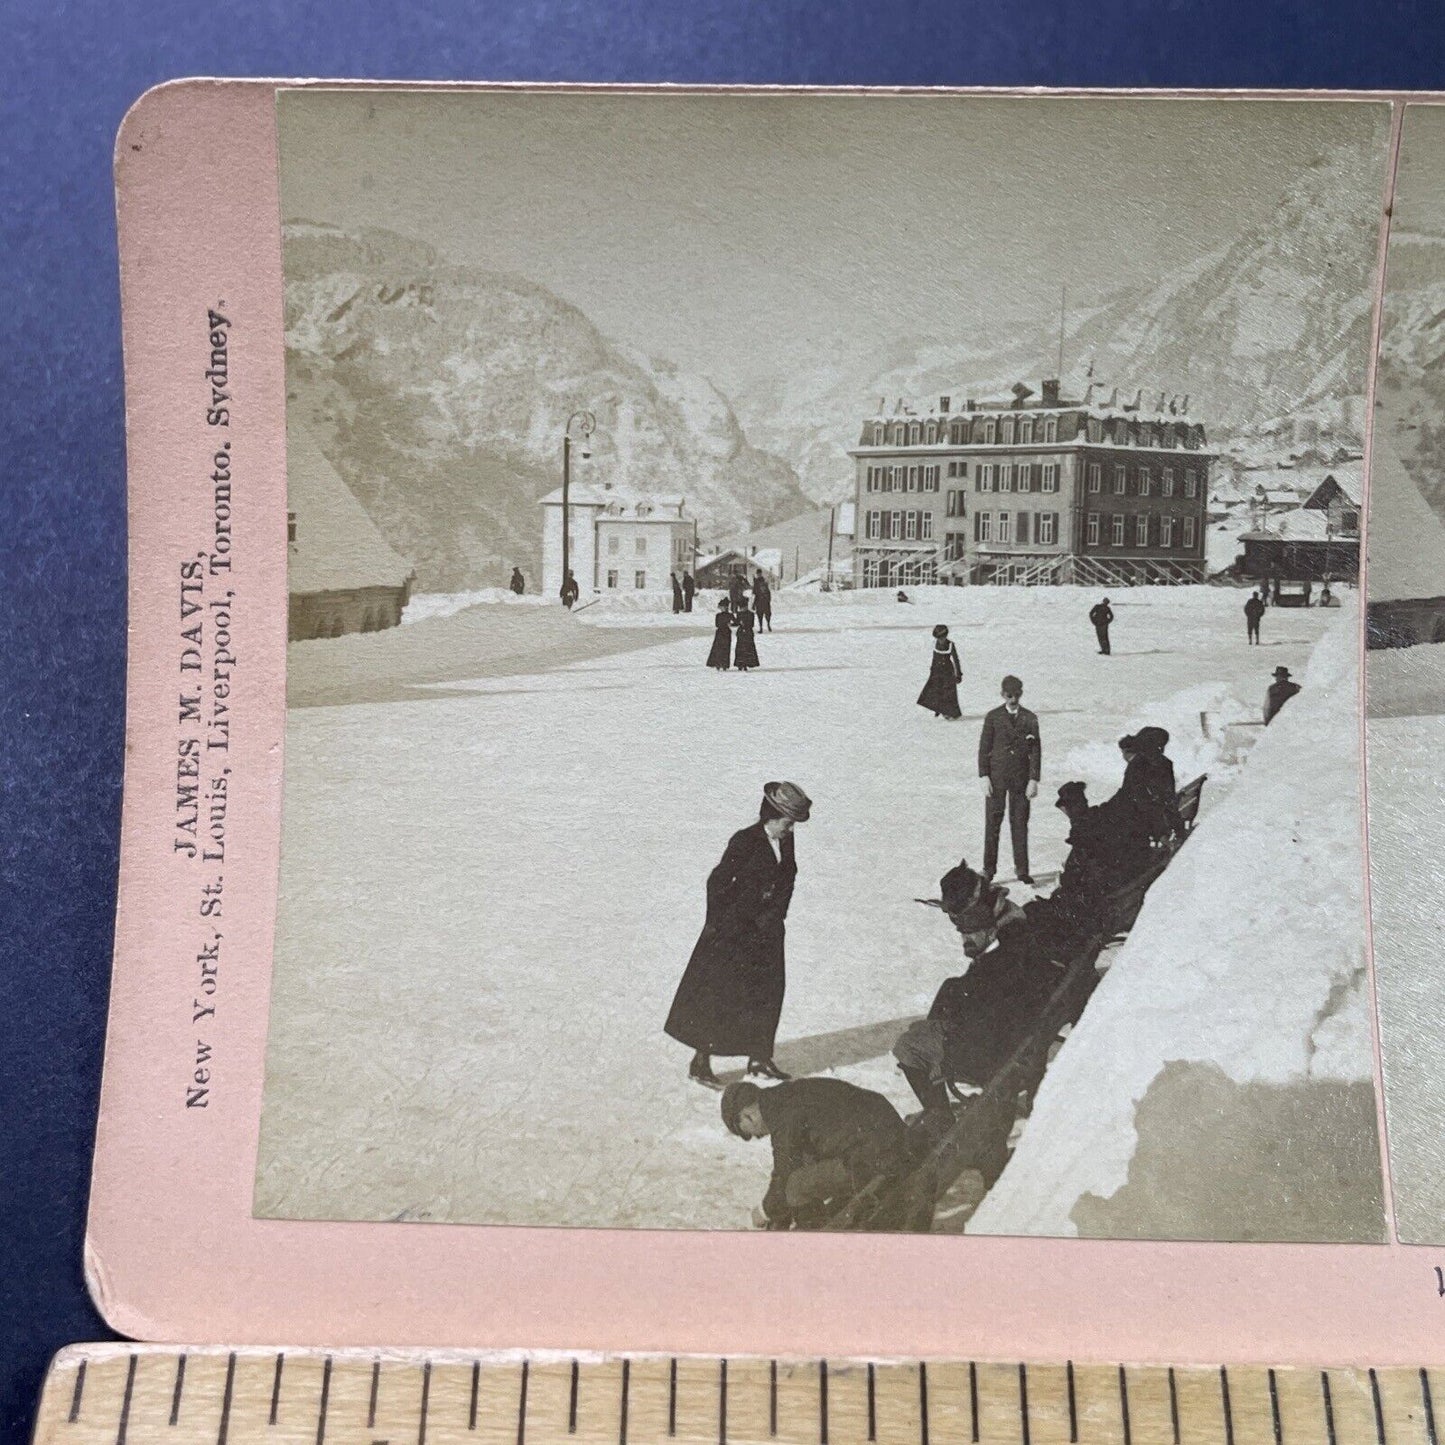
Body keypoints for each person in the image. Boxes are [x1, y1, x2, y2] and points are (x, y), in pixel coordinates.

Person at [665, 781, 812, 1087]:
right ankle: (700, 1063)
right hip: (734, 934)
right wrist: (723, 926)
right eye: (787, 823)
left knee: (768, 993)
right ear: (771, 817)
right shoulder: (745, 841)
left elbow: (787, 878)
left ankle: (760, 1059)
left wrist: (777, 914)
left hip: (768, 933)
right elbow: (716, 883)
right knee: (719, 995)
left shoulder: (786, 841)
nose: (791, 830)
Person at [721, 1077, 912, 1230]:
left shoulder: (781, 1115)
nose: (756, 1137)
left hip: (878, 1154)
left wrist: (764, 1212)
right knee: (804, 1168)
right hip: (887, 1133)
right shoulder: (785, 1095)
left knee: (797, 1186)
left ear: (748, 1116)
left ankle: (814, 1241)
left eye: (747, 1133)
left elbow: (785, 1174)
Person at [978, 675, 1041, 884]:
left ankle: (1022, 870)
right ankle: (988, 869)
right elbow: (984, 748)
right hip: (997, 778)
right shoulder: (993, 717)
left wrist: (1034, 779)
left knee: (1020, 823)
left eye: (1016, 695)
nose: (1013, 699)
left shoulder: (1030, 718)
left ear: (1021, 694)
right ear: (1002, 694)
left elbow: (1036, 750)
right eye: (1009, 695)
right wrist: (984, 775)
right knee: (992, 823)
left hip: (1020, 779)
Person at [916, 624, 963, 719]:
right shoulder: (935, 644)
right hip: (936, 671)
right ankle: (938, 709)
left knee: (948, 692)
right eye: (939, 638)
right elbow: (934, 657)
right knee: (936, 691)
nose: (940, 640)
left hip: (948, 672)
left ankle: (947, 712)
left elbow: (956, 659)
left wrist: (958, 674)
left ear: (946, 636)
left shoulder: (950, 645)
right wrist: (932, 670)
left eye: (942, 638)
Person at [706, 598, 734, 671]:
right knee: (718, 649)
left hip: (727, 633)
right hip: (720, 632)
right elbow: (717, 624)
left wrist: (731, 624)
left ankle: (724, 664)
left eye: (723, 607)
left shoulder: (730, 615)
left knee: (726, 649)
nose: (722, 608)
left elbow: (736, 622)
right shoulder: (718, 615)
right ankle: (717, 663)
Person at [733, 600, 760, 671]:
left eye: (743, 607)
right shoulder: (739, 614)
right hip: (741, 633)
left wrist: (744, 624)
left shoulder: (750, 614)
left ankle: (747, 663)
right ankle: (740, 664)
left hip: (748, 632)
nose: (742, 609)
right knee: (740, 649)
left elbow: (752, 624)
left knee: (748, 648)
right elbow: (736, 622)